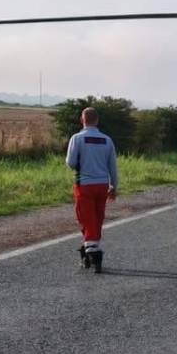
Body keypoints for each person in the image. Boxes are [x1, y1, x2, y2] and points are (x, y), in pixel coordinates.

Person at [66, 107, 118, 273]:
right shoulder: (107, 140)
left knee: (86, 218)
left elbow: (70, 162)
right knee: (97, 217)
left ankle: (92, 252)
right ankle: (89, 247)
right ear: (97, 120)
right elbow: (113, 166)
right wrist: (113, 186)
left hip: (84, 184)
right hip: (102, 185)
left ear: (82, 120)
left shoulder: (77, 138)